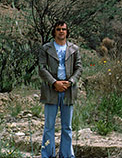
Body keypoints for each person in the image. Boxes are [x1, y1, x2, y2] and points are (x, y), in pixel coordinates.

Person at [38, 20, 82, 158]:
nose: (61, 31)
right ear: (54, 32)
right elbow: (41, 68)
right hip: (51, 90)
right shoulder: (46, 49)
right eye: (58, 29)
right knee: (49, 126)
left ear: (67, 31)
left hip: (68, 90)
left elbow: (79, 68)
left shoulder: (74, 49)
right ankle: (47, 155)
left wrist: (71, 81)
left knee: (67, 127)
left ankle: (67, 155)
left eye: (63, 29)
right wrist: (54, 82)